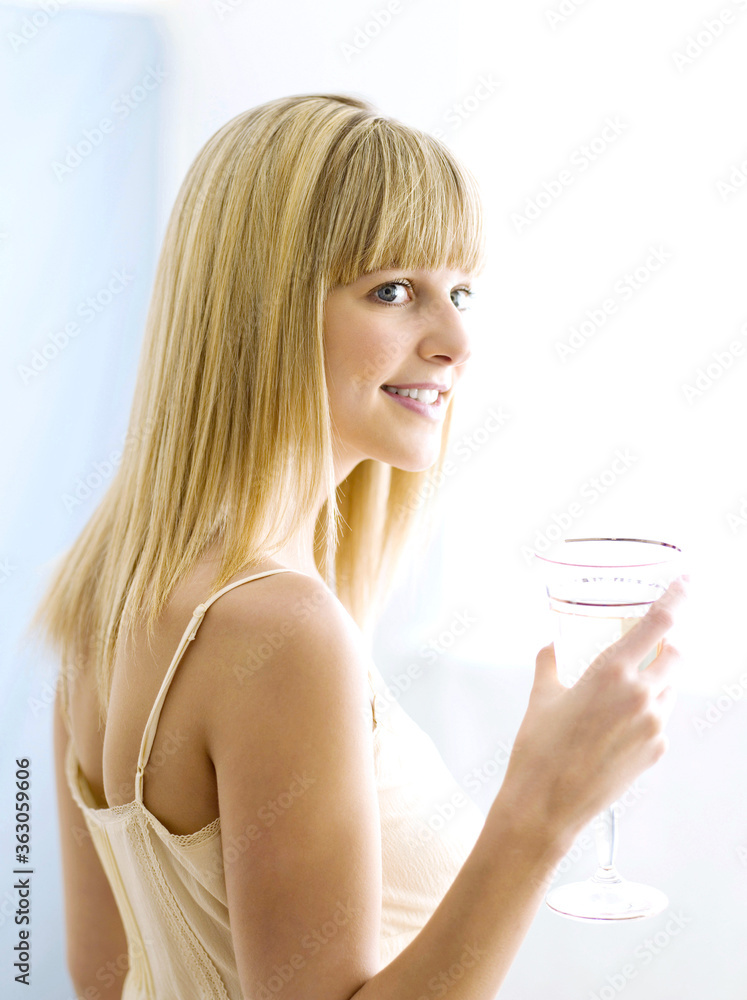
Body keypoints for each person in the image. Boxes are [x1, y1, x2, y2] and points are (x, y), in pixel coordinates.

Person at [28, 92, 686, 1000]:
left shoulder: (104, 592)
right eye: (392, 291)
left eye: (460, 291)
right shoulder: (282, 630)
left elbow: (102, 978)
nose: (455, 339)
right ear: (261, 312)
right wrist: (542, 810)